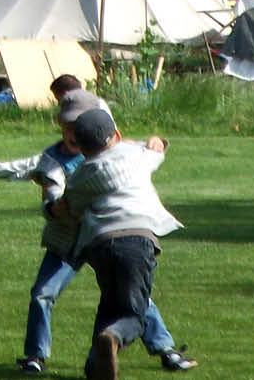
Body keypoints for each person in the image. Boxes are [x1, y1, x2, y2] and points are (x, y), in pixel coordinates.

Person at [0, 86, 195, 375]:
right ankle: (37, 357)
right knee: (44, 294)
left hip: (102, 238)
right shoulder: (54, 159)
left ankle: (163, 350)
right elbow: (23, 173)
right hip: (73, 240)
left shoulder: (110, 157)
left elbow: (71, 200)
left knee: (131, 299)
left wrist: (156, 142)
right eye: (67, 125)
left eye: (78, 124)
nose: (71, 131)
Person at [55, 108, 190, 380]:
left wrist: (49, 208)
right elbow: (157, 149)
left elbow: (67, 209)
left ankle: (96, 369)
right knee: (134, 314)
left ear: (79, 147)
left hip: (100, 245)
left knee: (110, 303)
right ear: (116, 134)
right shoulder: (135, 155)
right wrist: (158, 140)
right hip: (137, 240)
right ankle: (113, 337)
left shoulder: (81, 175)